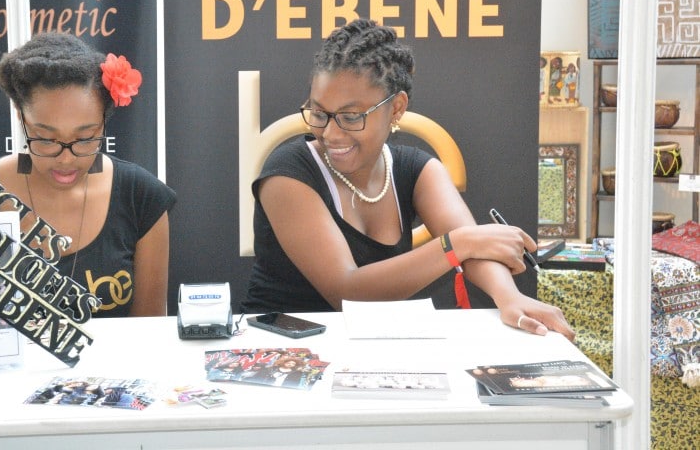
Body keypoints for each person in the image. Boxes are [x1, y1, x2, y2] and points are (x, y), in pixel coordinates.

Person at [241, 19, 574, 341]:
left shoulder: (417, 169)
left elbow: (475, 248)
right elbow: (345, 291)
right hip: (279, 353)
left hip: (365, 350)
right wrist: (456, 244)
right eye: (318, 114)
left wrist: (509, 297)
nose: (330, 132)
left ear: (397, 108)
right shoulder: (288, 172)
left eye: (350, 117)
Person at [0, 32, 175, 325]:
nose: (66, 159)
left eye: (85, 139)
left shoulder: (141, 198)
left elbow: (148, 332)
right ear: (20, 115)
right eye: (46, 139)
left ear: (103, 122)